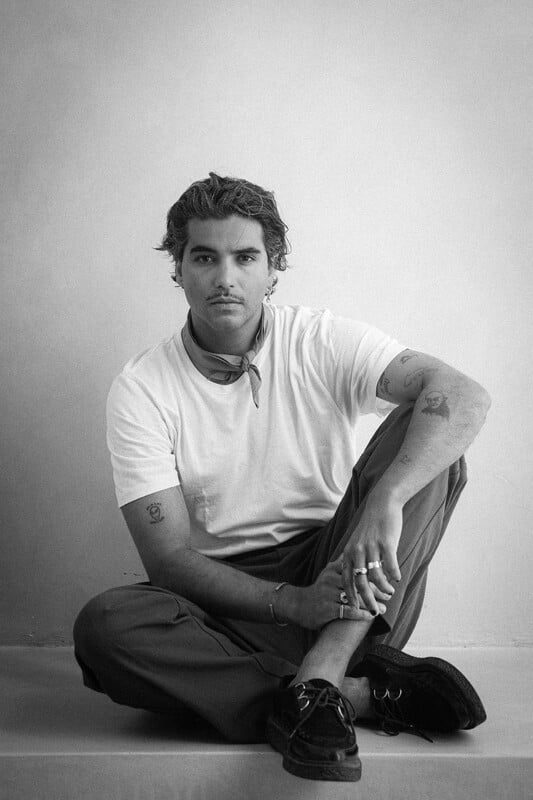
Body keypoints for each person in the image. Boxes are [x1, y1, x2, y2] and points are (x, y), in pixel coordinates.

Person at [73, 173, 490, 782]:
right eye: (204, 257)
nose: (225, 278)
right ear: (179, 269)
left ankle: (322, 673)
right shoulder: (141, 389)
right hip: (229, 610)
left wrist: (388, 499)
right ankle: (355, 697)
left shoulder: (319, 339)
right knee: (105, 627)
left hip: (349, 586)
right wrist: (293, 603)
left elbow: (462, 394)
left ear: (274, 268)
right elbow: (168, 560)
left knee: (432, 440)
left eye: (245, 258)